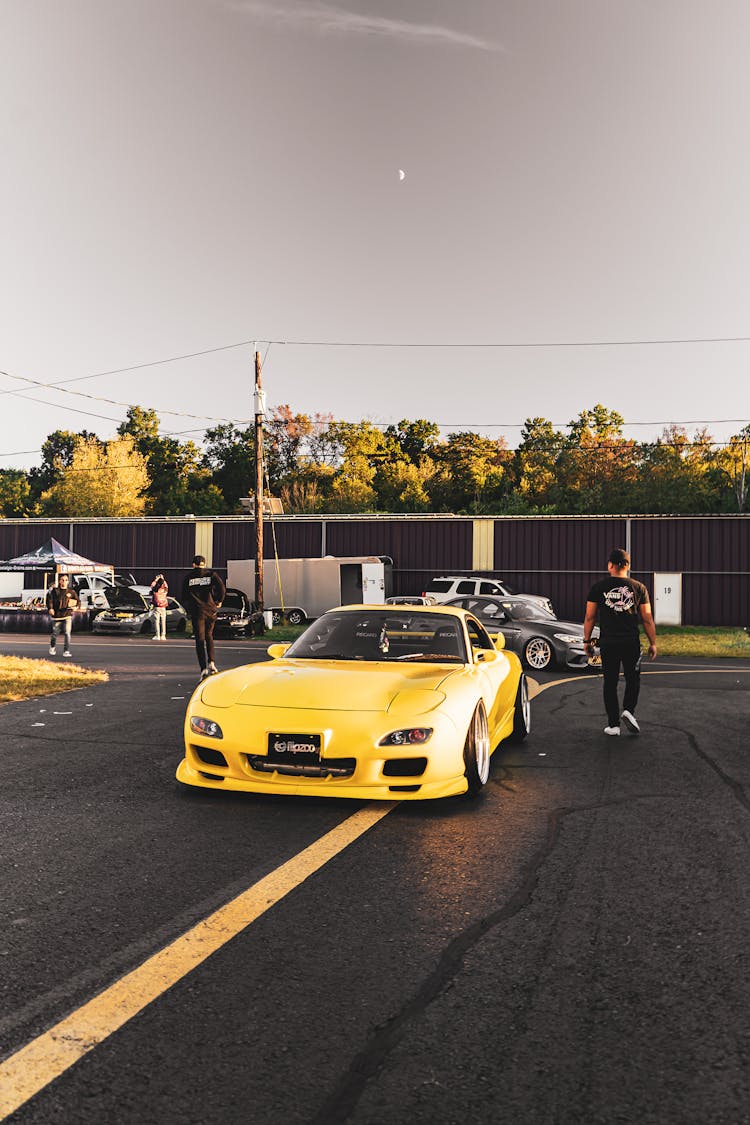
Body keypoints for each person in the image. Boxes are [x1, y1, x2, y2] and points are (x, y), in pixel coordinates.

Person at [583, 548, 657, 737]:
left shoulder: (598, 588)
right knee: (633, 679)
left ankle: (613, 725)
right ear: (628, 566)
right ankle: (628, 711)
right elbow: (647, 618)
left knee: (610, 682)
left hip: (608, 642)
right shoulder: (639, 588)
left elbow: (590, 618)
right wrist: (653, 643)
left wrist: (587, 641)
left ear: (610, 565)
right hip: (630, 642)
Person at [181, 555, 226, 679]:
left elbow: (184, 596)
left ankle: (203, 669)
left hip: (197, 612)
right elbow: (222, 588)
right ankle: (212, 662)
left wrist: (189, 608)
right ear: (204, 564)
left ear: (193, 564)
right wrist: (219, 601)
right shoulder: (211, 575)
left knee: (199, 640)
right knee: (209, 636)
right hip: (210, 610)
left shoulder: (188, 578)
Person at [45, 573, 80, 658]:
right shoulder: (54, 591)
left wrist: (76, 607)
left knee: (67, 633)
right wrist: (50, 608)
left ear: (68, 582)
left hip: (67, 615)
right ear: (59, 581)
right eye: (62, 580)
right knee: (55, 634)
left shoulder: (71, 592)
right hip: (57, 616)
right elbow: (49, 600)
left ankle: (66, 651)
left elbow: (78, 601)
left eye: (66, 580)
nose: (64, 581)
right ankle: (52, 647)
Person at [149, 573, 169, 641]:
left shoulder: (155, 590)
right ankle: (163, 635)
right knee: (163, 621)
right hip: (163, 606)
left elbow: (152, 586)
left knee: (157, 621)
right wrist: (163, 579)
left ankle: (157, 635)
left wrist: (156, 580)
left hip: (157, 606)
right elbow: (166, 586)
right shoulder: (165, 589)